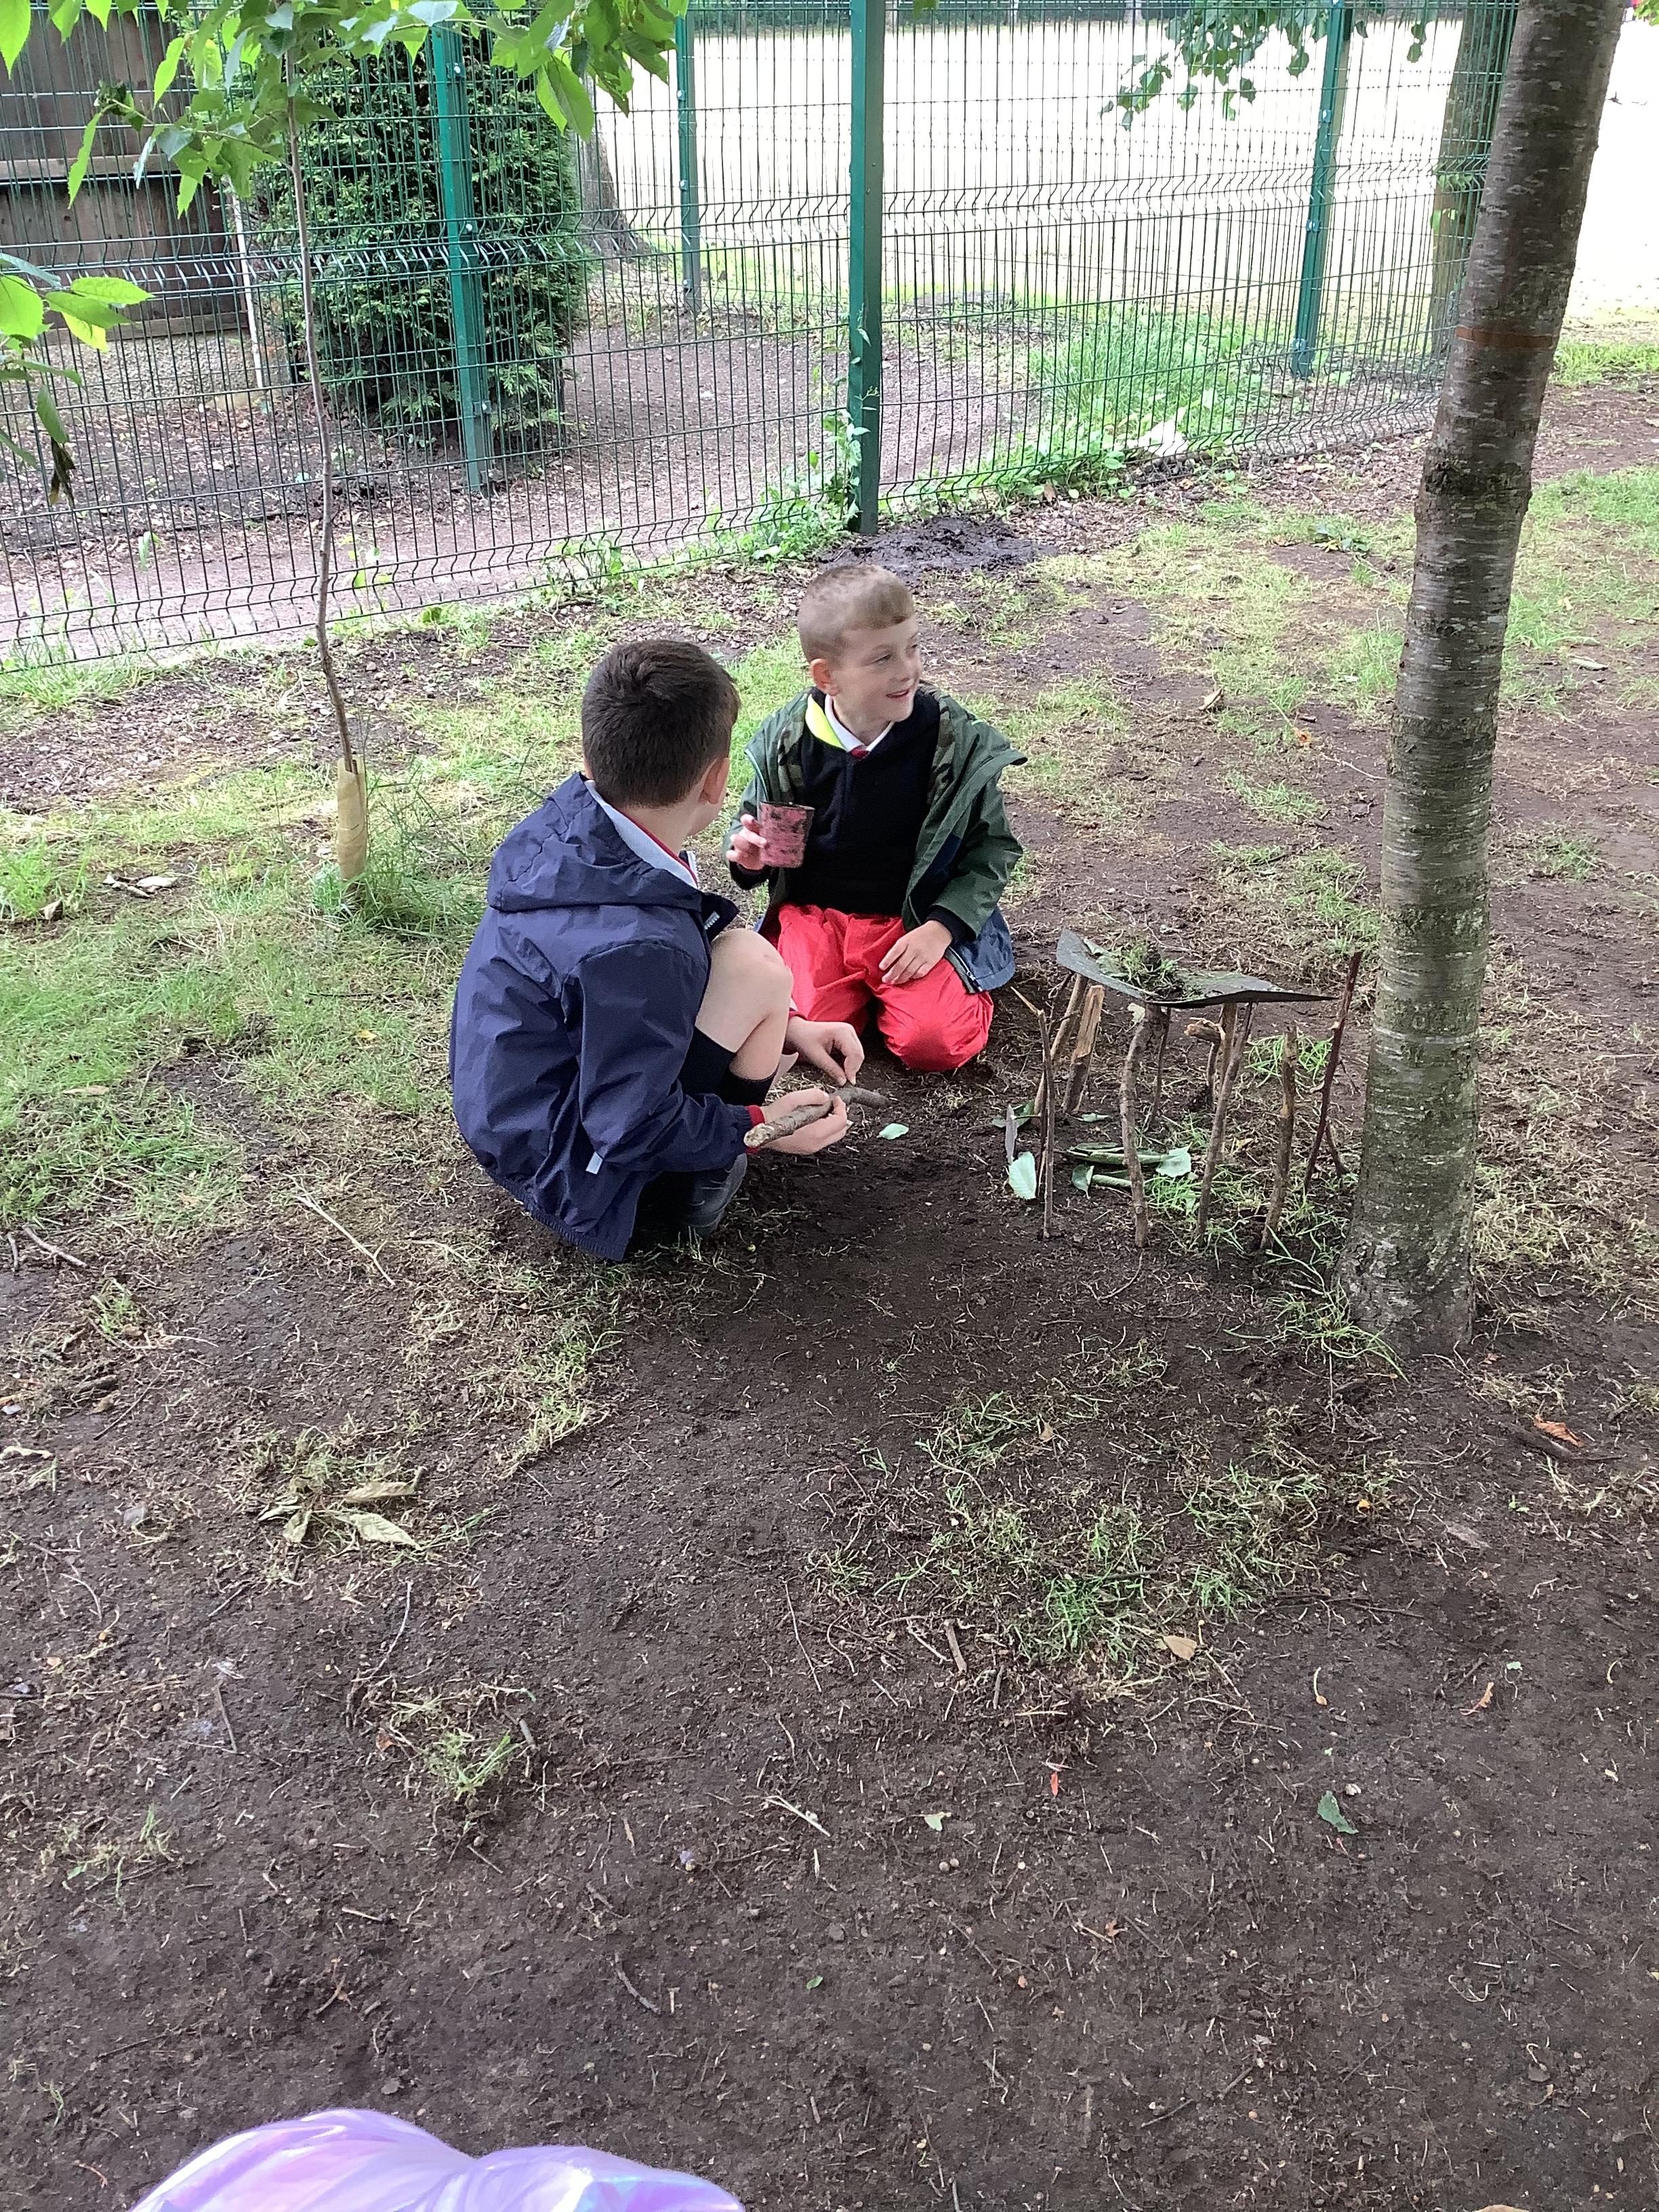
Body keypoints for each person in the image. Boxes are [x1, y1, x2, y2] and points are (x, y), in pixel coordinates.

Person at [451, 639, 862, 1259]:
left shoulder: (569, 829)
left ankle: (715, 1127)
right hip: (584, 1181)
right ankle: (684, 1197)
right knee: (755, 968)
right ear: (716, 780)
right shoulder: (640, 949)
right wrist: (763, 1129)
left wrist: (791, 1028)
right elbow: (628, 1126)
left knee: (750, 969)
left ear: (589, 754)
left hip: (522, 1122)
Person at [726, 563, 1023, 1075]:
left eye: (913, 647)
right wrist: (753, 859)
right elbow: (763, 837)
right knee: (803, 1032)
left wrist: (942, 928)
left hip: (911, 923)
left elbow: (991, 849)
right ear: (827, 677)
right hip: (818, 919)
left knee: (933, 1044)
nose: (907, 670)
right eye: (883, 658)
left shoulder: (953, 745)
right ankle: (853, 997)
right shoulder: (788, 745)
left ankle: (938, 993)